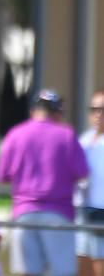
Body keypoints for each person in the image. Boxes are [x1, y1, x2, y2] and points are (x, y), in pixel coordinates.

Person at [0, 89, 88, 276]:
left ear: (33, 111)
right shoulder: (66, 135)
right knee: (62, 272)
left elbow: (2, 176)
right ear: (57, 113)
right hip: (58, 214)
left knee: (29, 273)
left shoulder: (16, 134)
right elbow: (82, 173)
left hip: (24, 213)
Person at [76, 89, 104, 276]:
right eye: (94, 109)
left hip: (101, 211)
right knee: (81, 259)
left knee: (99, 262)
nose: (98, 114)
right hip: (82, 210)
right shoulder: (83, 140)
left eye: (102, 109)